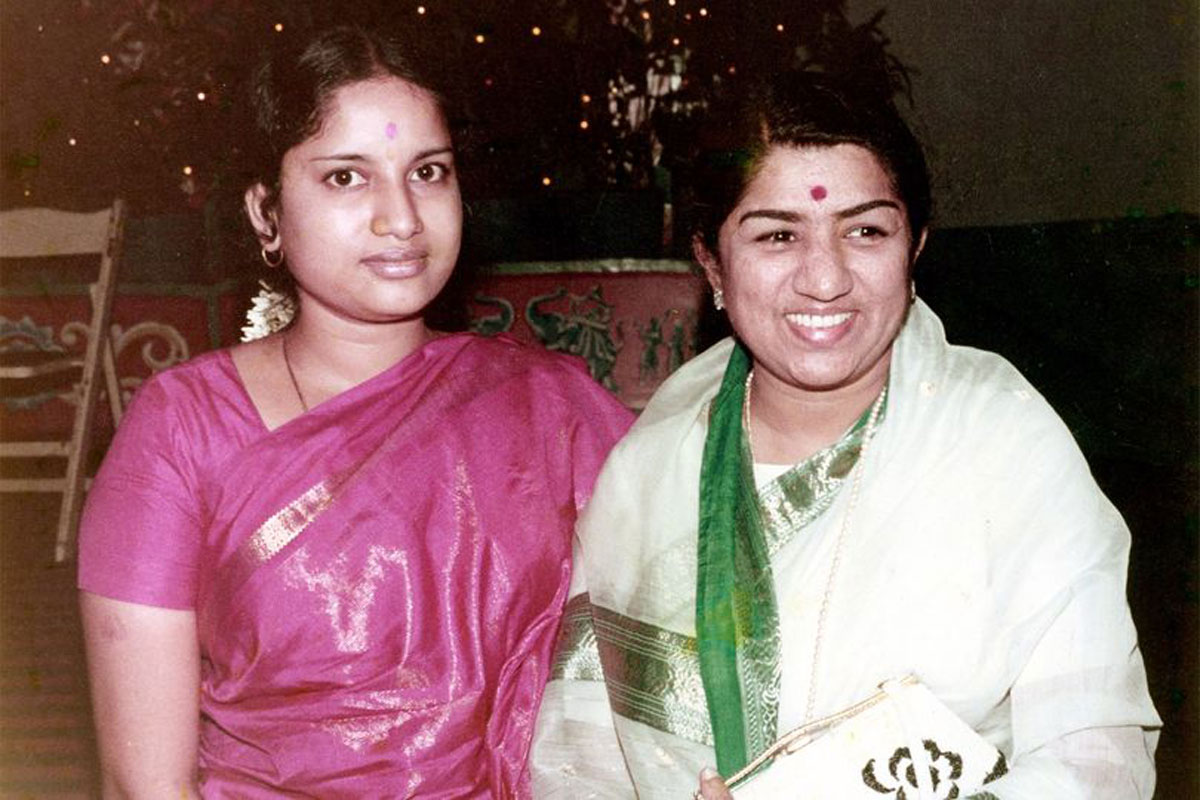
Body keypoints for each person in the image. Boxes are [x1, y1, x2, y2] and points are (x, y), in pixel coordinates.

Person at [530, 69, 1159, 799]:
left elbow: (1097, 756)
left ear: (914, 247)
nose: (825, 279)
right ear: (711, 263)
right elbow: (583, 762)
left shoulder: (1003, 443)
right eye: (778, 235)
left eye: (865, 231)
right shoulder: (650, 474)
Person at [77, 26, 633, 797]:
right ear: (265, 214)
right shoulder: (183, 428)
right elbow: (145, 786)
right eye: (346, 178)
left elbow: (693, 618)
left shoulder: (551, 408)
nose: (401, 218)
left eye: (428, 172)